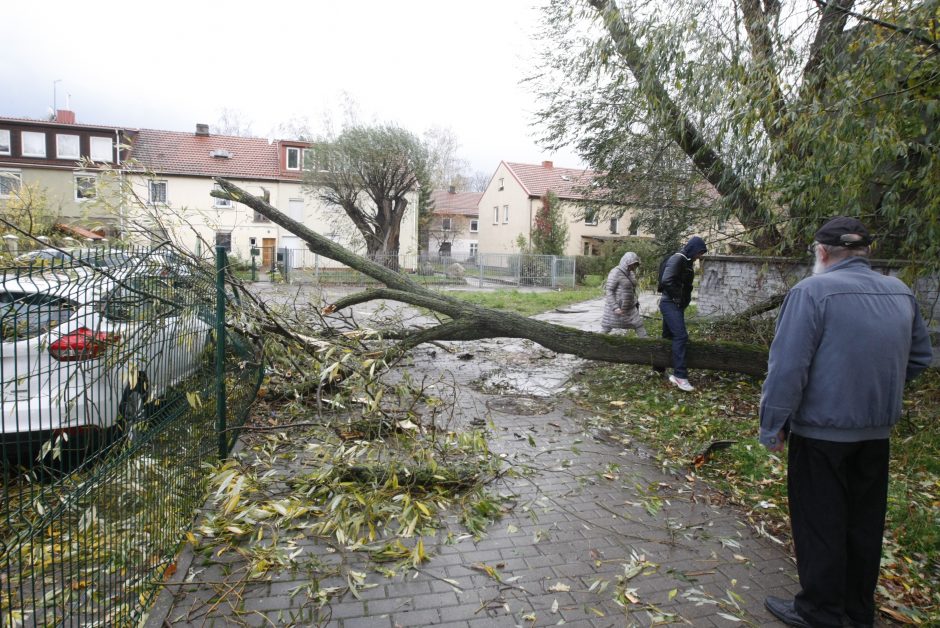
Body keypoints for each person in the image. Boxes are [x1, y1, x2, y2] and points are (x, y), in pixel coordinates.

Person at [759, 217, 932, 628]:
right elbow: (921, 358)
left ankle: (820, 612)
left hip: (820, 434)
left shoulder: (811, 293)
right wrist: (876, 390)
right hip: (875, 434)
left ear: (821, 253)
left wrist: (772, 425)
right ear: (866, 253)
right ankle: (857, 610)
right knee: (863, 524)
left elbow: (787, 369)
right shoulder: (901, 292)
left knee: (820, 522)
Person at [656, 236, 707, 391]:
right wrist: (678, 299)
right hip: (670, 303)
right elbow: (667, 280)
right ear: (693, 249)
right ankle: (680, 375)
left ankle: (659, 368)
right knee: (681, 336)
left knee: (668, 337)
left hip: (675, 305)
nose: (700, 256)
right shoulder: (678, 259)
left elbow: (685, 285)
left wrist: (682, 302)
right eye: (700, 252)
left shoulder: (687, 262)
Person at [601, 252, 648, 337]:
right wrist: (615, 307)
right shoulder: (615, 272)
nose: (634, 267)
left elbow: (632, 287)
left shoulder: (631, 274)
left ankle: (648, 344)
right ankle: (597, 342)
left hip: (630, 307)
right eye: (633, 264)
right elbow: (609, 290)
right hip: (618, 307)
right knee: (607, 327)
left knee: (639, 325)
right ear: (626, 262)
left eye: (635, 264)